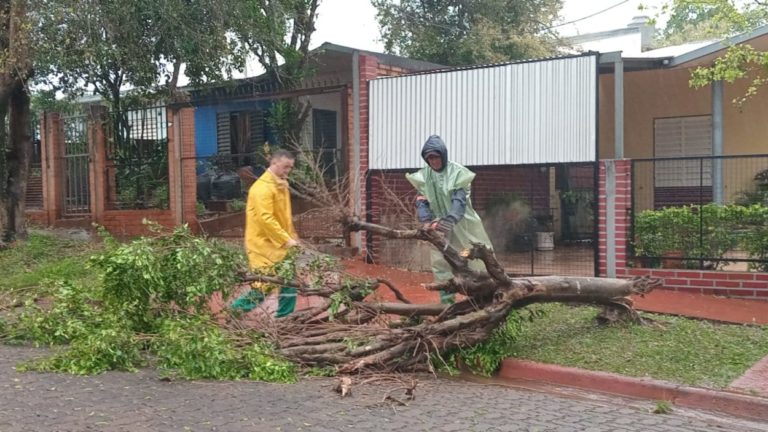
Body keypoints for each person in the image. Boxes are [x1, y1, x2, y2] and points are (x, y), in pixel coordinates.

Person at [405, 135, 493, 304]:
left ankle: (483, 298)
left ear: (443, 155)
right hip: (439, 227)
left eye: (436, 156)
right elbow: (422, 201)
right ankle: (447, 303)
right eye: (430, 157)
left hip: (464, 226)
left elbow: (458, 201)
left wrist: (450, 219)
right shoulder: (424, 176)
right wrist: (427, 220)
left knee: (473, 257)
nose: (433, 161)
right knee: (440, 262)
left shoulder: (458, 173)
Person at [231, 149, 299, 317]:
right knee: (264, 284)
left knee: (289, 281)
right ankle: (234, 310)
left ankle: (285, 317)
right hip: (262, 244)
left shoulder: (280, 184)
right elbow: (265, 218)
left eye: (290, 167)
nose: (288, 171)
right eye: (285, 167)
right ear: (274, 163)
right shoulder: (262, 188)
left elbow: (283, 216)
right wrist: (286, 239)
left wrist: (292, 237)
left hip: (279, 243)